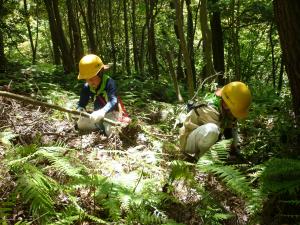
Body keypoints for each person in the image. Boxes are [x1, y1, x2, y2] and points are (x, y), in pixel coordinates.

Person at [179, 81, 252, 160]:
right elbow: (218, 138)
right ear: (225, 105)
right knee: (212, 130)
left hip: (199, 137)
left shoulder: (224, 106)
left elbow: (230, 128)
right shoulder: (211, 110)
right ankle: (203, 160)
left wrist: (235, 150)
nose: (235, 115)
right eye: (234, 111)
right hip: (187, 141)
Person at [76, 54, 130, 135]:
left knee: (111, 131)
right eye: (86, 79)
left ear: (100, 73)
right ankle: (101, 127)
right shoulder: (87, 86)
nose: (90, 82)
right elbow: (82, 103)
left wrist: (102, 111)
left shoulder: (109, 83)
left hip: (112, 113)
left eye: (91, 78)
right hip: (96, 115)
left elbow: (113, 101)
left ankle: (109, 127)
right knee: (81, 124)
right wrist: (79, 109)